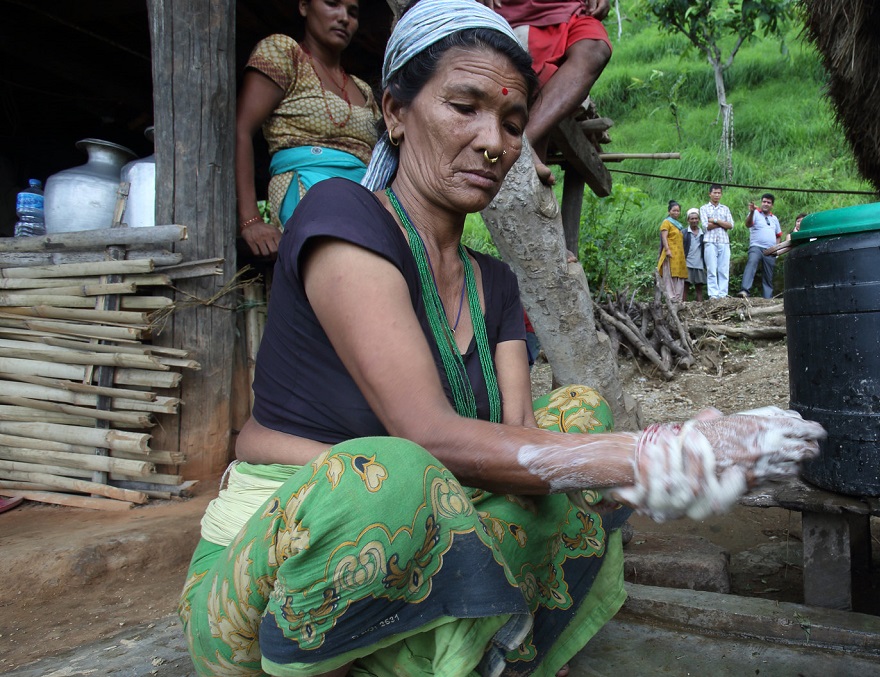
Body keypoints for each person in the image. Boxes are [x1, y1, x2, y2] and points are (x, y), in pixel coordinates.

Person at [178, 3, 825, 676]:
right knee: (392, 476)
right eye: (465, 106)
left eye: (513, 123)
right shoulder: (341, 217)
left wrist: (624, 462)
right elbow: (428, 438)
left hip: (431, 516)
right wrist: (651, 454)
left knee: (577, 412)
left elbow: (519, 454)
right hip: (271, 585)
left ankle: (466, 640)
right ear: (395, 112)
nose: (495, 141)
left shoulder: (495, 283)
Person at [235, 0, 382, 259]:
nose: (344, 18)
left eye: (352, 12)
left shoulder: (363, 89)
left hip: (366, 201)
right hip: (308, 191)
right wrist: (251, 221)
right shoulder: (284, 53)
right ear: (304, 6)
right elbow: (241, 131)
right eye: (332, 4)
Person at [483, 0, 612, 184]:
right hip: (517, 12)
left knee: (596, 46)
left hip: (572, 10)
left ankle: (524, 142)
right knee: (534, 91)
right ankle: (524, 158)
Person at [738, 193, 782, 299]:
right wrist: (752, 212)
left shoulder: (774, 218)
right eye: (764, 201)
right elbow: (748, 224)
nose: (766, 204)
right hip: (756, 247)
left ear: (772, 205)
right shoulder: (755, 213)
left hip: (771, 249)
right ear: (761, 202)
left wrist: (776, 249)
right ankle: (745, 290)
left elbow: (778, 235)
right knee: (752, 263)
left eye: (768, 202)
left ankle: (768, 297)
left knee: (769, 273)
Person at [700, 184, 734, 299]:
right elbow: (705, 226)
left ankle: (723, 294)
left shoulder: (725, 208)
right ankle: (713, 295)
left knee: (724, 269)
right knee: (711, 268)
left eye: (719, 193)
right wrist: (722, 224)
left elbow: (730, 225)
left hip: (724, 242)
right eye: (715, 193)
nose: (717, 195)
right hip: (710, 241)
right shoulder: (704, 208)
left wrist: (715, 220)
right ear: (710, 194)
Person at [656, 200, 687, 302]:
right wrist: (668, 250)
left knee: (678, 275)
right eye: (674, 210)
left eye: (678, 211)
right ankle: (671, 297)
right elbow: (664, 237)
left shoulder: (678, 225)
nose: (676, 213)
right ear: (669, 211)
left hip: (679, 255)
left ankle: (678, 297)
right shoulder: (666, 222)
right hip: (670, 253)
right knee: (669, 275)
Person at [683, 207, 707, 302]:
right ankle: (683, 305)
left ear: (699, 220)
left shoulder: (703, 233)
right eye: (692, 218)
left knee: (699, 288)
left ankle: (700, 307)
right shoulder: (684, 233)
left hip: (699, 264)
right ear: (688, 220)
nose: (694, 220)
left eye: (696, 218)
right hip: (687, 263)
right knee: (685, 286)